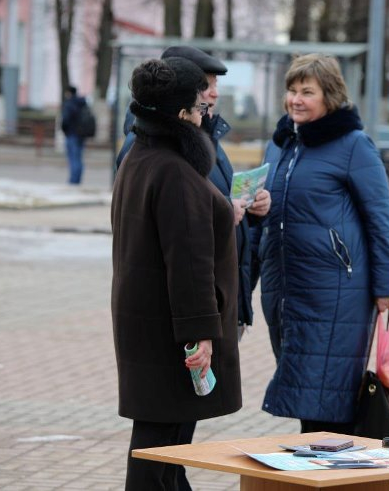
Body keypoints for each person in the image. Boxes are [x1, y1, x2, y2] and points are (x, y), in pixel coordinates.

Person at [111, 57, 242, 491]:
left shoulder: (140, 156)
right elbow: (188, 263)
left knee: (161, 448)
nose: (207, 116)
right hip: (172, 330)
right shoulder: (174, 171)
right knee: (161, 447)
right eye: (201, 109)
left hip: (145, 320)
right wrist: (201, 335)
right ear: (182, 114)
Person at [252, 53, 389, 433]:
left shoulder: (354, 145)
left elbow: (380, 221)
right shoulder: (282, 144)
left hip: (335, 292)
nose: (296, 99)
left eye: (307, 92)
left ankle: (332, 474)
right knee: (305, 390)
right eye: (291, 90)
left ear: (329, 96)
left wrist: (386, 287)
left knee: (327, 398)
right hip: (285, 287)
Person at [117, 46, 270, 340]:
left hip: (218, 301)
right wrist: (224, 209)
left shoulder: (203, 135)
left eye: (214, 85)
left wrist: (251, 207)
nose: (213, 93)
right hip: (189, 311)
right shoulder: (153, 147)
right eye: (206, 84)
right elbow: (172, 223)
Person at [61, 85, 88, 184]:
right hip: (81, 135)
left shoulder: (69, 104)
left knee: (73, 158)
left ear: (69, 93)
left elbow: (65, 120)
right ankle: (78, 179)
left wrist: (64, 130)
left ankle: (73, 180)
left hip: (72, 134)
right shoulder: (82, 103)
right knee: (79, 157)